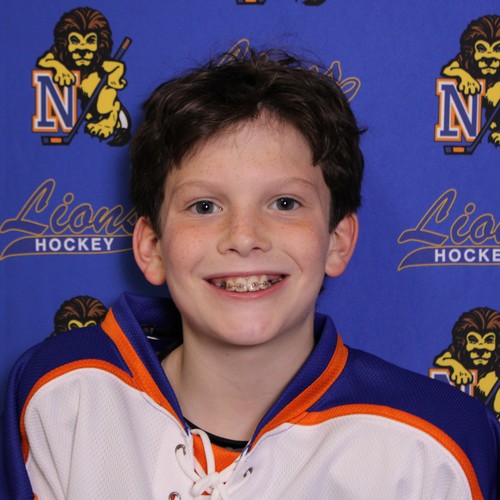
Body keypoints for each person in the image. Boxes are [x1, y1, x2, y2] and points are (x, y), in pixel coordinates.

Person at [1, 48, 499, 499]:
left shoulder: (435, 445)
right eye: (204, 206)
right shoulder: (64, 395)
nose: (243, 236)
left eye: (284, 203)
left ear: (337, 241)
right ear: (152, 248)